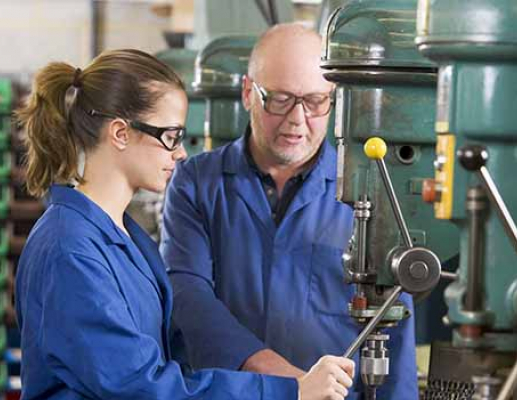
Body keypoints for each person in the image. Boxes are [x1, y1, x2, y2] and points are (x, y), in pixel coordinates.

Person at [14, 48, 354, 400]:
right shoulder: (69, 249)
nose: (179, 152)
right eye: (171, 136)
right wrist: (288, 391)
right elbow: (141, 386)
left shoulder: (126, 238)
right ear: (120, 133)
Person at [161, 24, 417, 399]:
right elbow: (188, 297)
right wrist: (289, 383)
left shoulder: (371, 189)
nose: (298, 119)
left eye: (315, 101)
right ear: (249, 93)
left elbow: (396, 328)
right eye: (280, 99)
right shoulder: (196, 183)